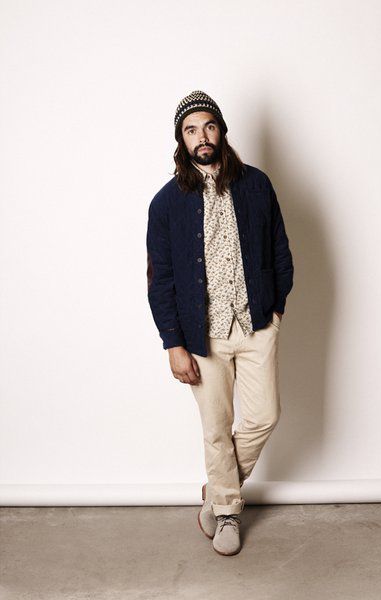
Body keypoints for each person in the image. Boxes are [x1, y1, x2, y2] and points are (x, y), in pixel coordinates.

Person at [146, 90, 294, 556]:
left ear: (221, 131)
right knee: (216, 426)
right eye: (191, 130)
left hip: (256, 324)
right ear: (182, 141)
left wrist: (275, 310)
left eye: (208, 126)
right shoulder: (166, 204)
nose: (202, 136)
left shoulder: (257, 185)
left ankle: (216, 490)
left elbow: (280, 251)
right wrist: (173, 344)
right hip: (200, 334)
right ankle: (228, 512)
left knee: (265, 416)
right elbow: (160, 279)